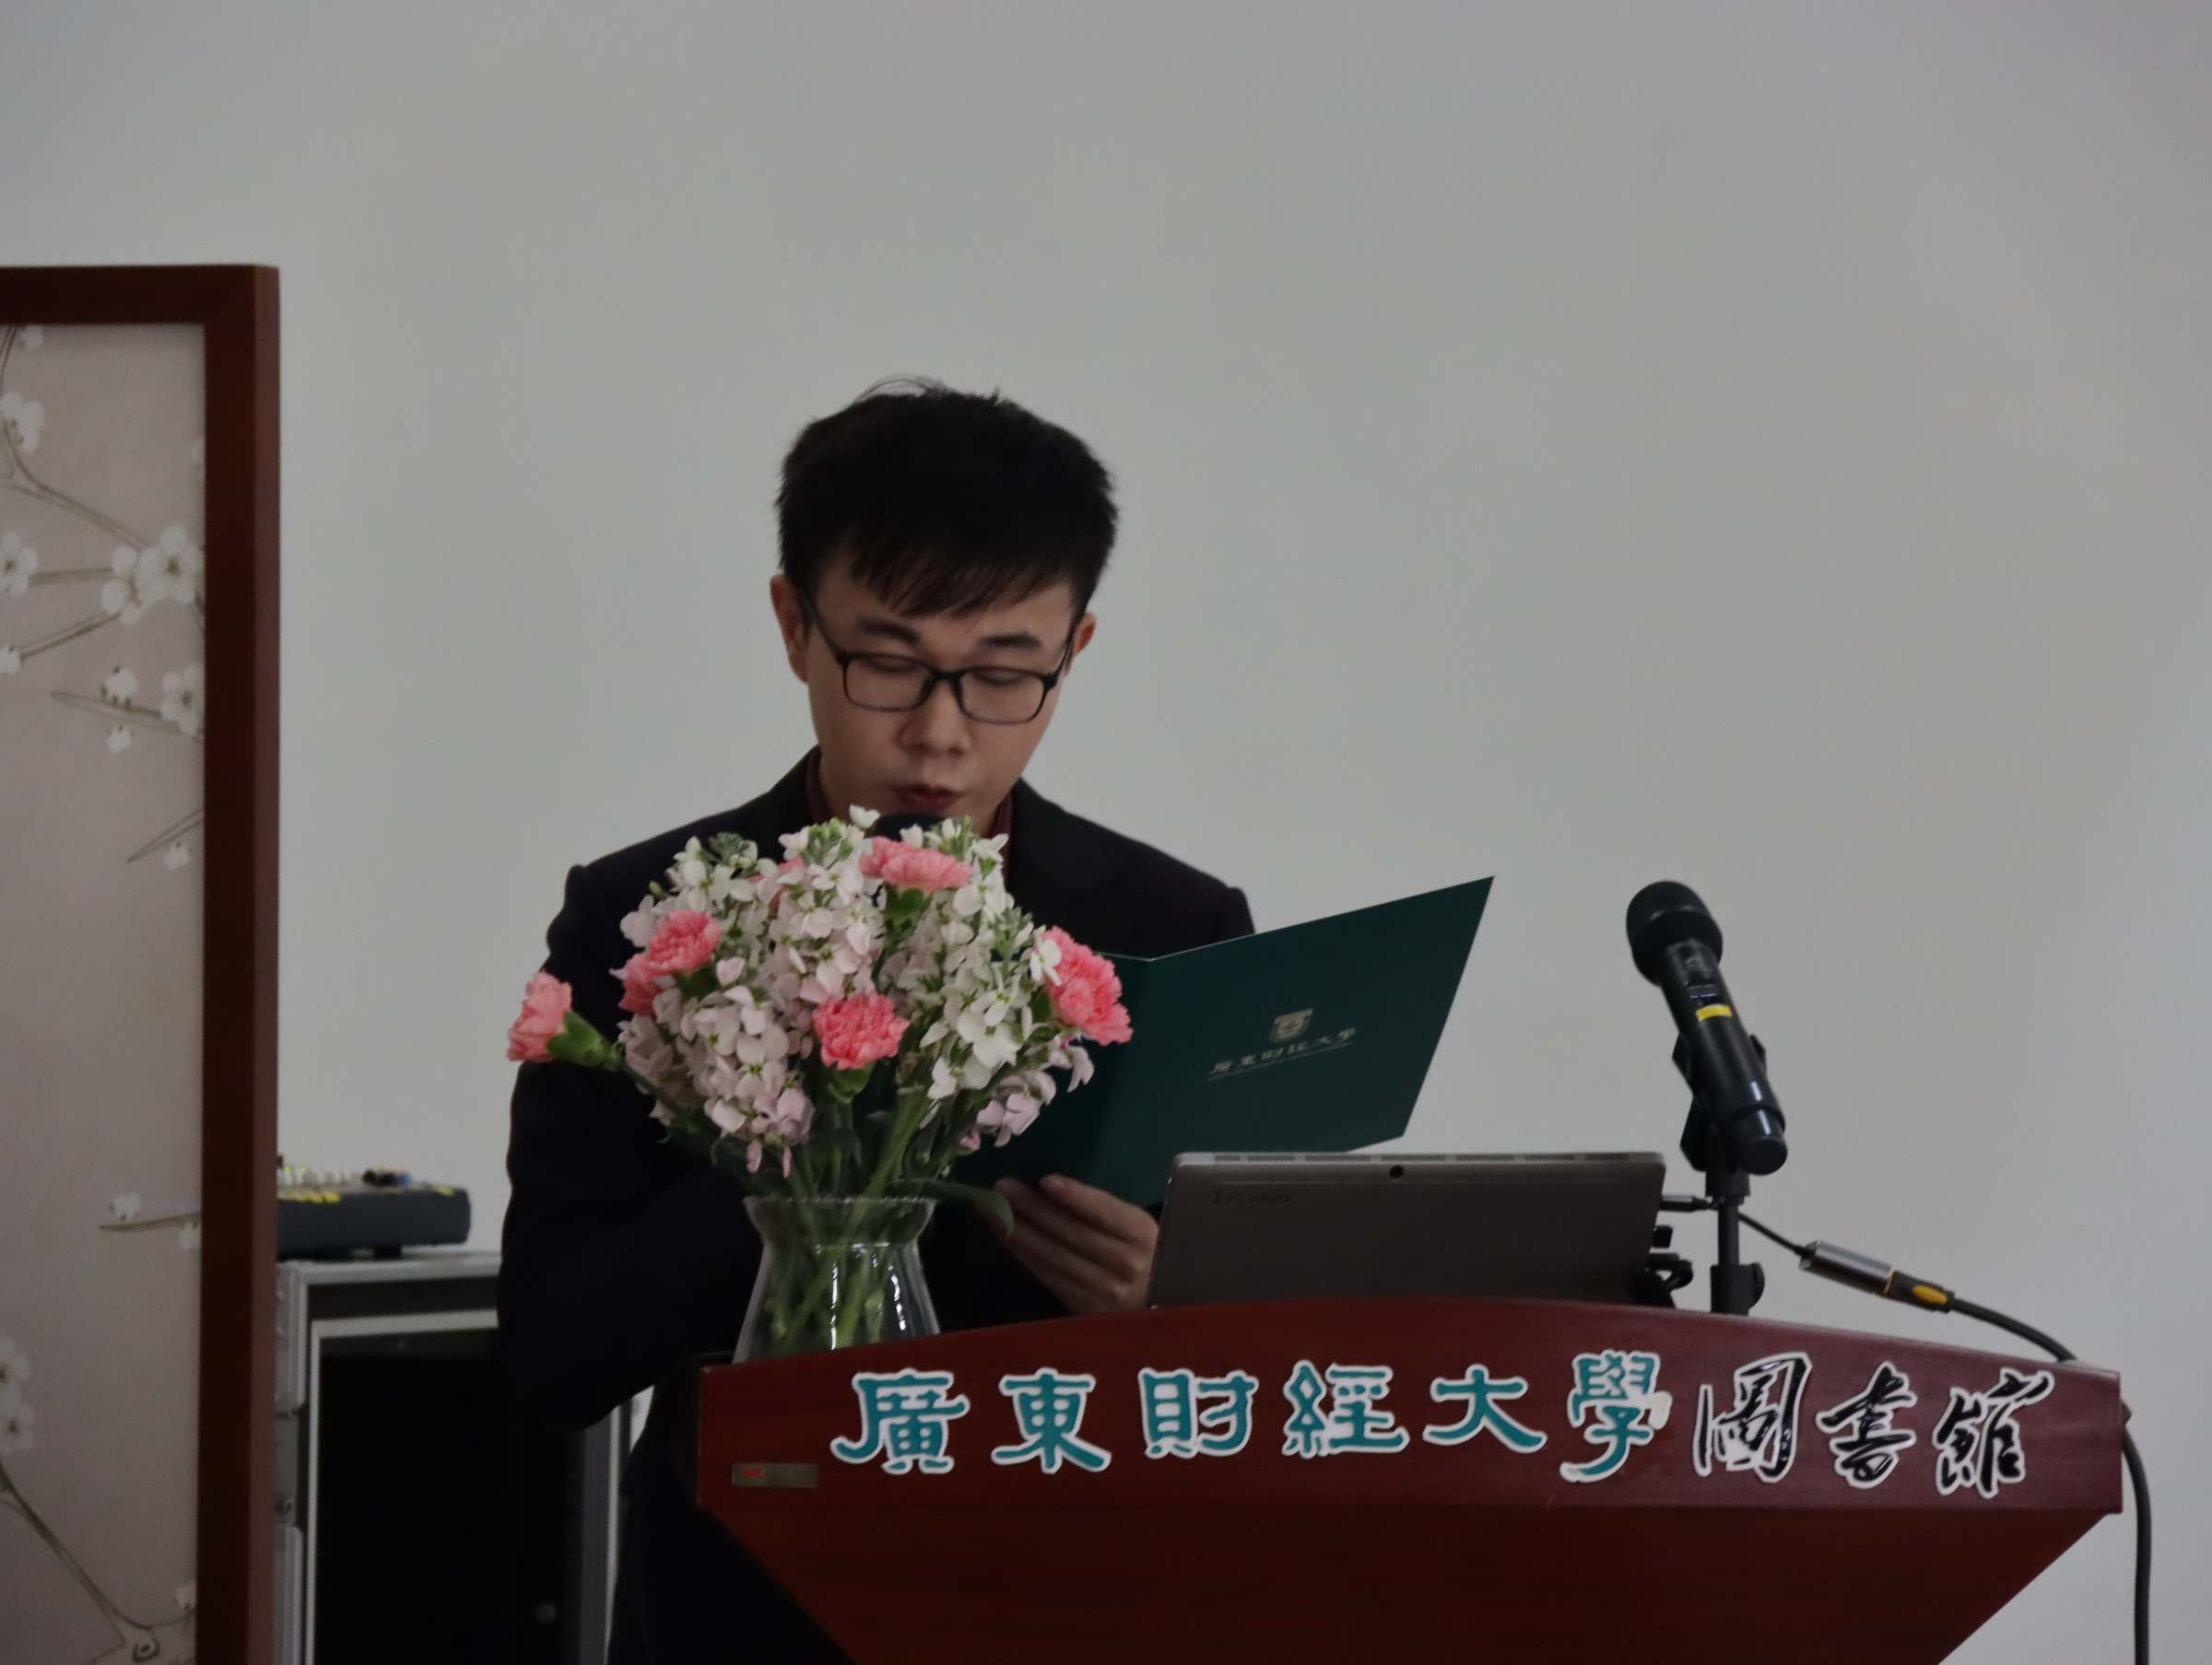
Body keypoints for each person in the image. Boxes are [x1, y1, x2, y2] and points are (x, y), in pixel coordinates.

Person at [498, 379, 1255, 1661]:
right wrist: (799, 1182)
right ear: (795, 625)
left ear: (1074, 650)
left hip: (1070, 1596)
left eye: (1003, 674)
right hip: (741, 1607)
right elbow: (554, 1354)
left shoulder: (1169, 925)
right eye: (890, 664)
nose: (940, 735)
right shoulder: (648, 918)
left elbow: (1260, 1370)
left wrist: (1159, 1297)